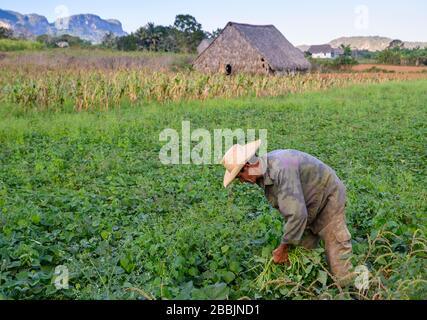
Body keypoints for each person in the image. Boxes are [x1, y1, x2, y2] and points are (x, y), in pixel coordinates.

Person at [221, 140, 353, 286]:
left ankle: (351, 291)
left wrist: (283, 248)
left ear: (247, 166)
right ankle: (310, 289)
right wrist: (288, 243)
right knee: (303, 252)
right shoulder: (262, 175)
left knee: (336, 251)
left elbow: (296, 214)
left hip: (328, 198)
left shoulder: (281, 168)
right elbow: (292, 209)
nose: (241, 182)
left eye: (239, 177)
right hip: (307, 205)